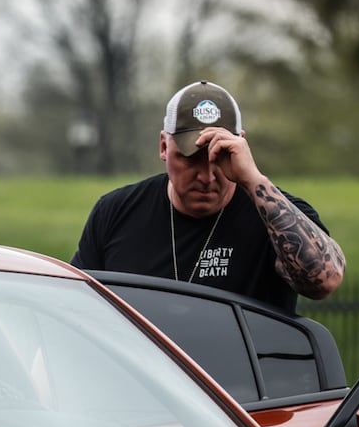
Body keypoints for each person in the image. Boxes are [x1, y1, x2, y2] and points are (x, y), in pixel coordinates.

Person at [70, 81, 344, 312]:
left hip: (239, 376)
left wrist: (253, 179)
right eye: (191, 159)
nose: (207, 175)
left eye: (221, 157)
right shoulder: (116, 212)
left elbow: (324, 281)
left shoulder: (274, 213)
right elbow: (77, 309)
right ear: (164, 146)